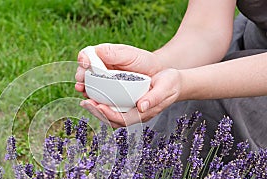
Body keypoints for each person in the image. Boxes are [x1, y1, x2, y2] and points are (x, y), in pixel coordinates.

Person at [75, 0, 267, 157]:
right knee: (145, 136)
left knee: (204, 109)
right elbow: (205, 30)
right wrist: (154, 66)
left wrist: (184, 84)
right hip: (251, 41)